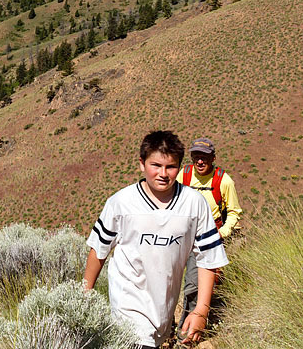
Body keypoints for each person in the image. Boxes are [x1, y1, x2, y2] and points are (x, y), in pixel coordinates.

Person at [83, 131, 228, 348]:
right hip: (127, 305)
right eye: (155, 165)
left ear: (179, 167)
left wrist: (201, 311)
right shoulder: (121, 203)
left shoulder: (194, 204)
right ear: (142, 164)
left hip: (162, 309)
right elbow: (99, 249)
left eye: (170, 167)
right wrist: (84, 294)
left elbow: (208, 259)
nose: (163, 174)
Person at [178, 137, 242, 328]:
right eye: (196, 156)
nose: (200, 161)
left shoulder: (224, 181)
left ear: (213, 158)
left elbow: (234, 212)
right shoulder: (185, 175)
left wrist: (221, 234)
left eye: (204, 157)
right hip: (184, 235)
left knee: (193, 284)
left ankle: (187, 330)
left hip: (209, 238)